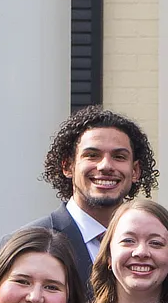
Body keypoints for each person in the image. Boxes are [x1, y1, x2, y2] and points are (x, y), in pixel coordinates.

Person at [29, 106, 159, 292]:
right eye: (92, 155)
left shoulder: (157, 246)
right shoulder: (31, 241)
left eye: (119, 157)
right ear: (68, 166)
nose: (105, 165)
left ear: (135, 171)